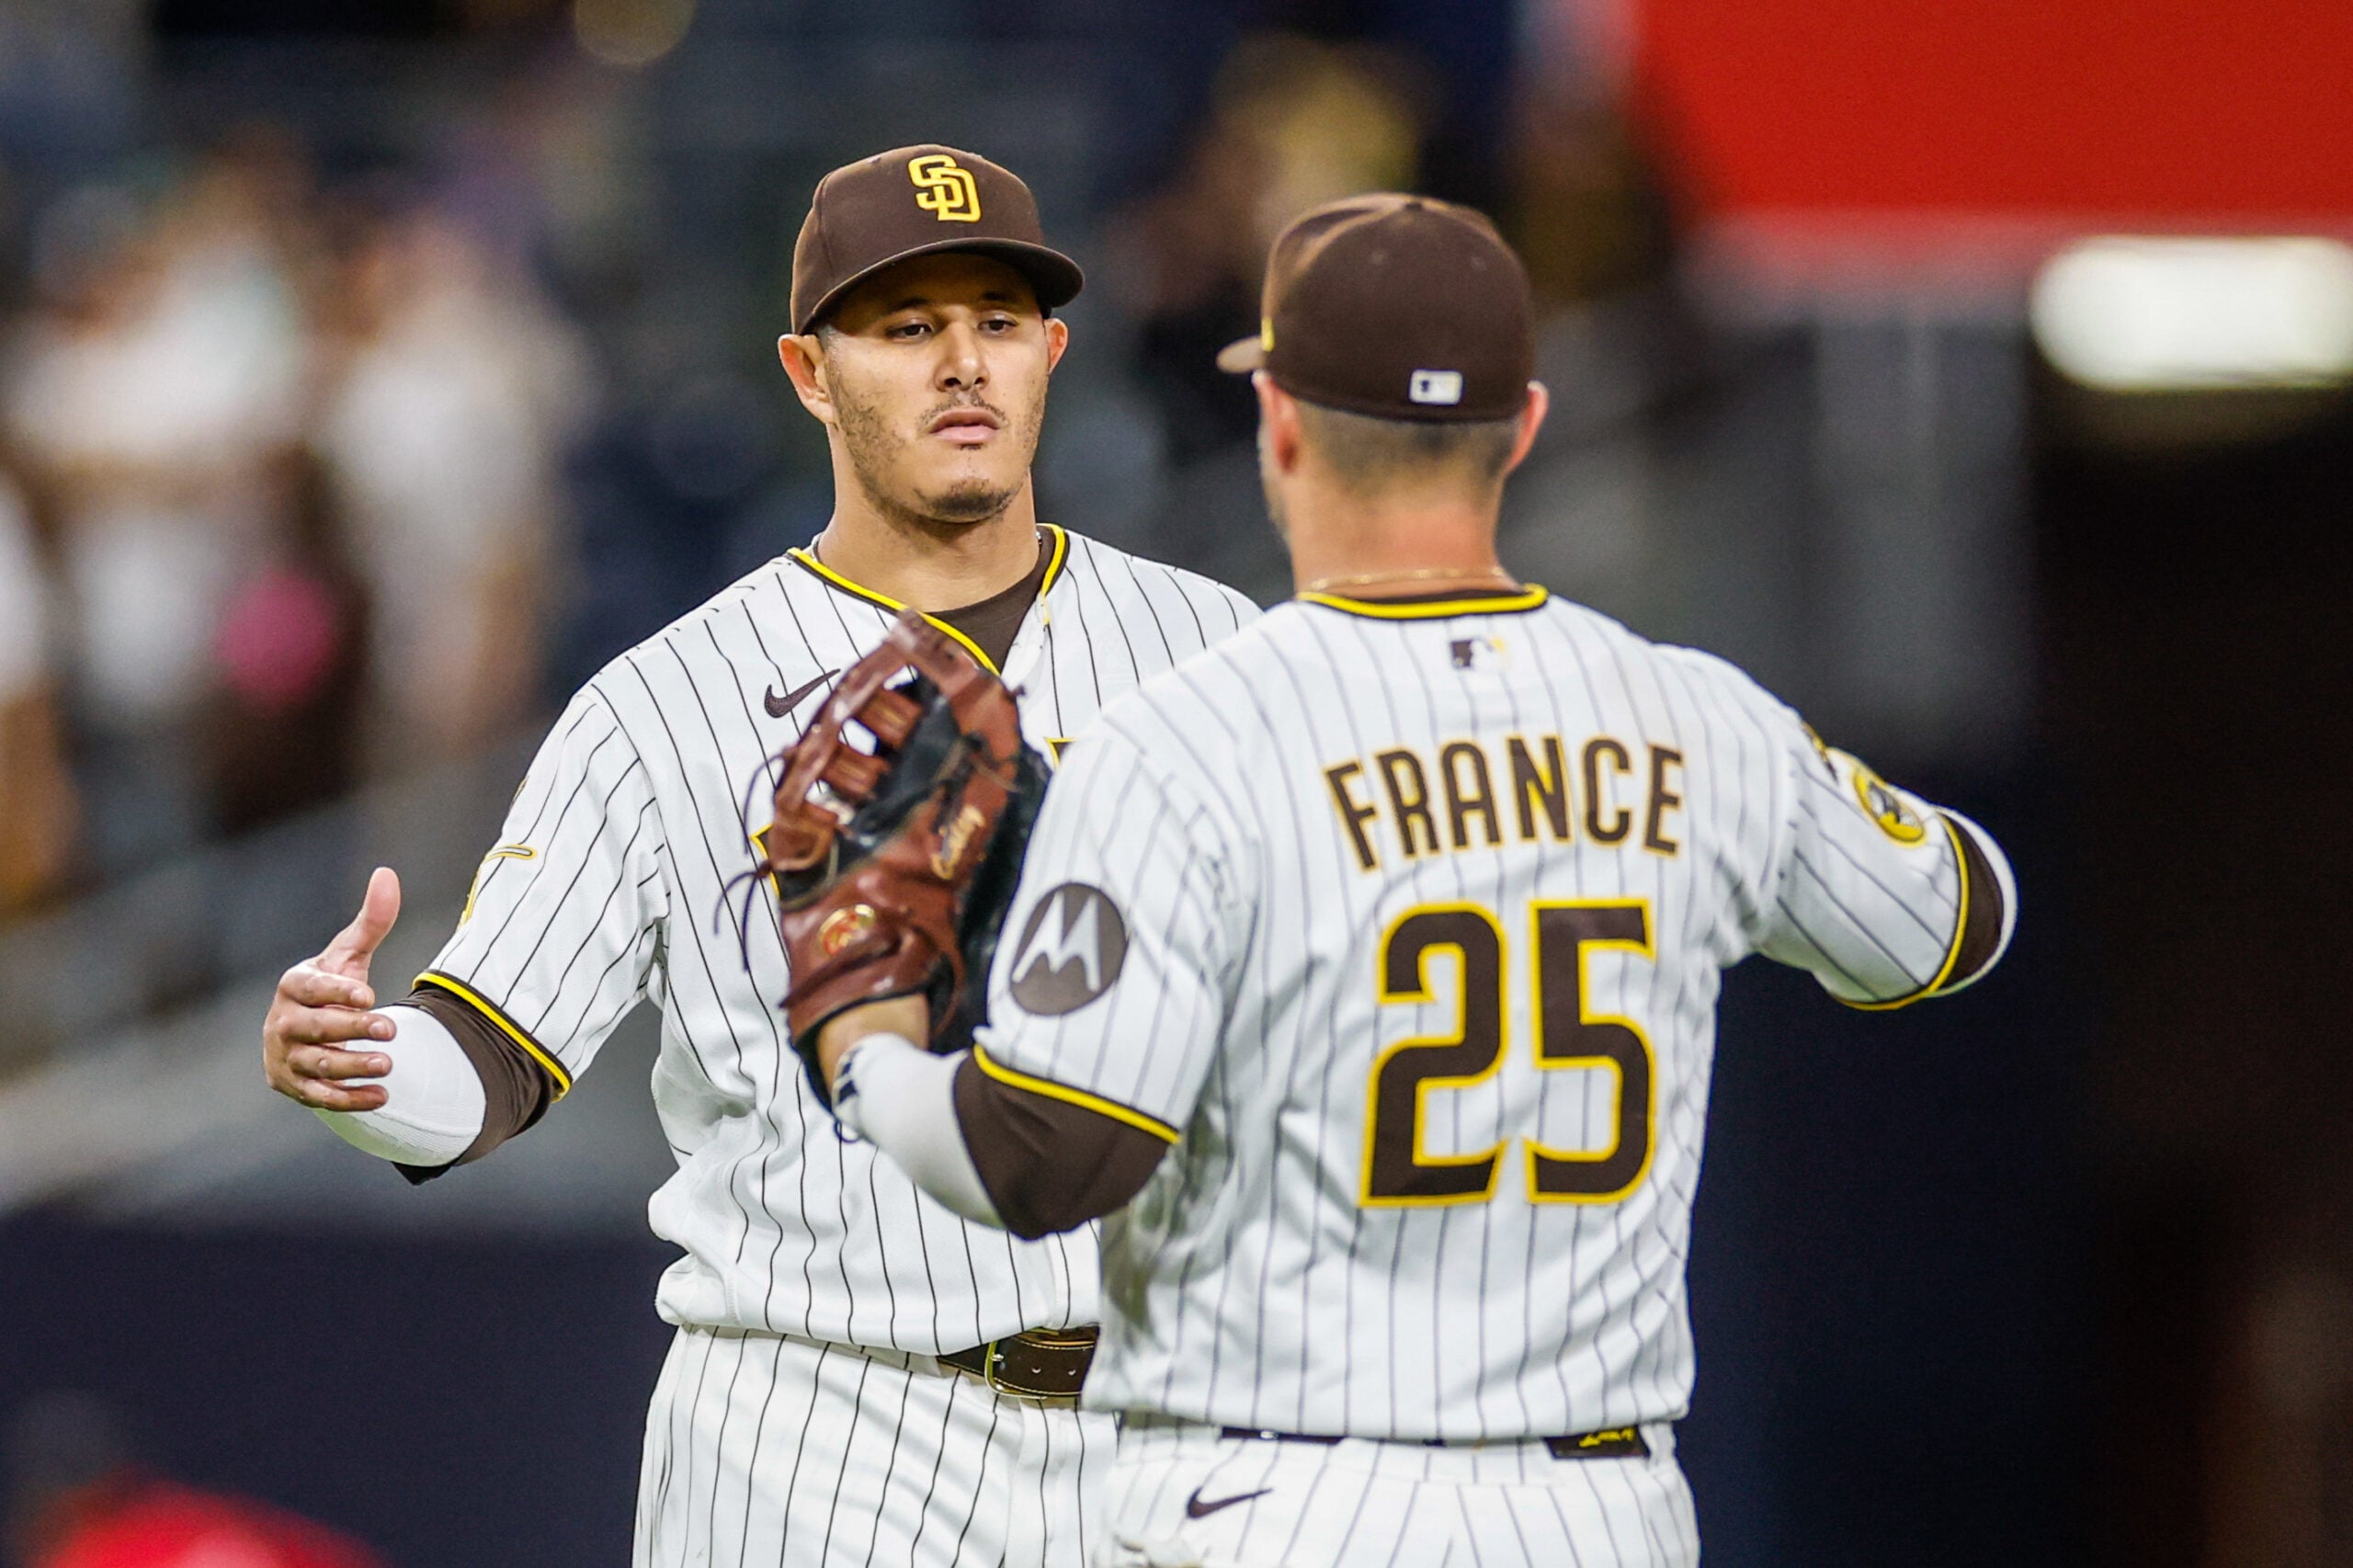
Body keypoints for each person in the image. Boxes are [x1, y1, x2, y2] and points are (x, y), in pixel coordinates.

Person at [808, 194, 2017, 1567]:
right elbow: (1956, 918)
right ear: (1528, 428)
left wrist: (871, 1054)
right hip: (1599, 1511)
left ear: (1280, 425)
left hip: (1278, 1500)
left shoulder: (1191, 735)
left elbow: (1044, 1154)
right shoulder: (1700, 722)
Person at [257, 145, 1257, 1567]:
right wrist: (357, 1062)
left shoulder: (1217, 649)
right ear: (808, 370)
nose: (962, 362)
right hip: (820, 1436)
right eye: (907, 326)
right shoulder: (666, 700)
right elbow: (485, 1058)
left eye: (997, 319)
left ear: (1054, 351)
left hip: (1172, 1443)